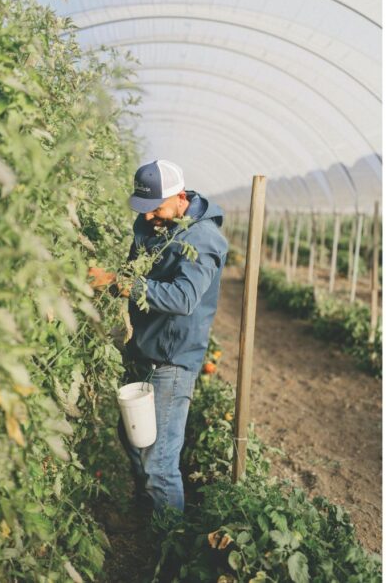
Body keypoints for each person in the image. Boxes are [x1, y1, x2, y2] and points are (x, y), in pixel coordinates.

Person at [89, 159, 228, 524]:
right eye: (144, 209)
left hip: (171, 359)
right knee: (133, 437)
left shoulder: (204, 240)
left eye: (156, 209)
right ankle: (147, 512)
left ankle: (168, 544)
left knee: (159, 462)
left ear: (180, 198)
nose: (149, 217)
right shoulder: (154, 224)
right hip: (142, 348)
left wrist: (120, 284)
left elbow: (183, 299)